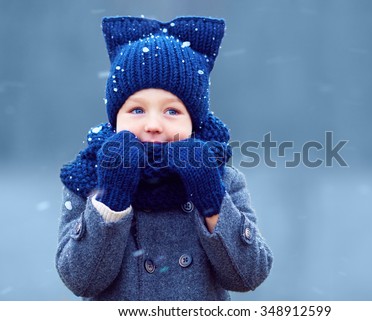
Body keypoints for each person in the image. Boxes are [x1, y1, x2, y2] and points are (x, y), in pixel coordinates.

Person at [56, 15, 273, 301]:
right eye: (136, 110)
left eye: (172, 111)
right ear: (115, 120)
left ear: (193, 122)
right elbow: (80, 280)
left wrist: (210, 197)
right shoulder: (88, 179)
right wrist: (112, 197)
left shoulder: (223, 178)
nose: (153, 124)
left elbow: (249, 275)